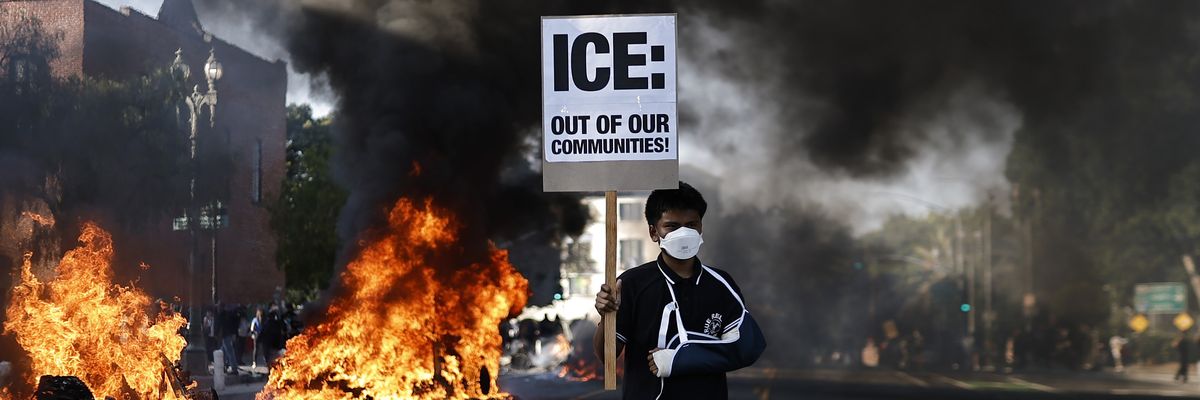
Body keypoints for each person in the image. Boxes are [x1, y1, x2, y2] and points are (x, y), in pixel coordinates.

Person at [593, 181, 766, 399]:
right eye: (672, 227)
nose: (683, 233)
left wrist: (678, 358)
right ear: (654, 232)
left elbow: (746, 347)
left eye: (691, 225)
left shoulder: (721, 284)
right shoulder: (631, 284)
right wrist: (607, 317)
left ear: (701, 227)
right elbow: (607, 357)